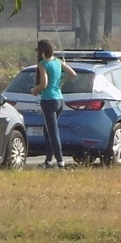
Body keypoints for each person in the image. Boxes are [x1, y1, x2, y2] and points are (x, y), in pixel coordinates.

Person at [31, 39, 76, 169]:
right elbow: (73, 74)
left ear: (42, 51)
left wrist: (35, 90)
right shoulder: (58, 61)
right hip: (59, 100)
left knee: (53, 132)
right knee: (47, 130)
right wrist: (61, 81)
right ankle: (48, 160)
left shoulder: (43, 64)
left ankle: (60, 161)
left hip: (48, 100)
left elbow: (44, 84)